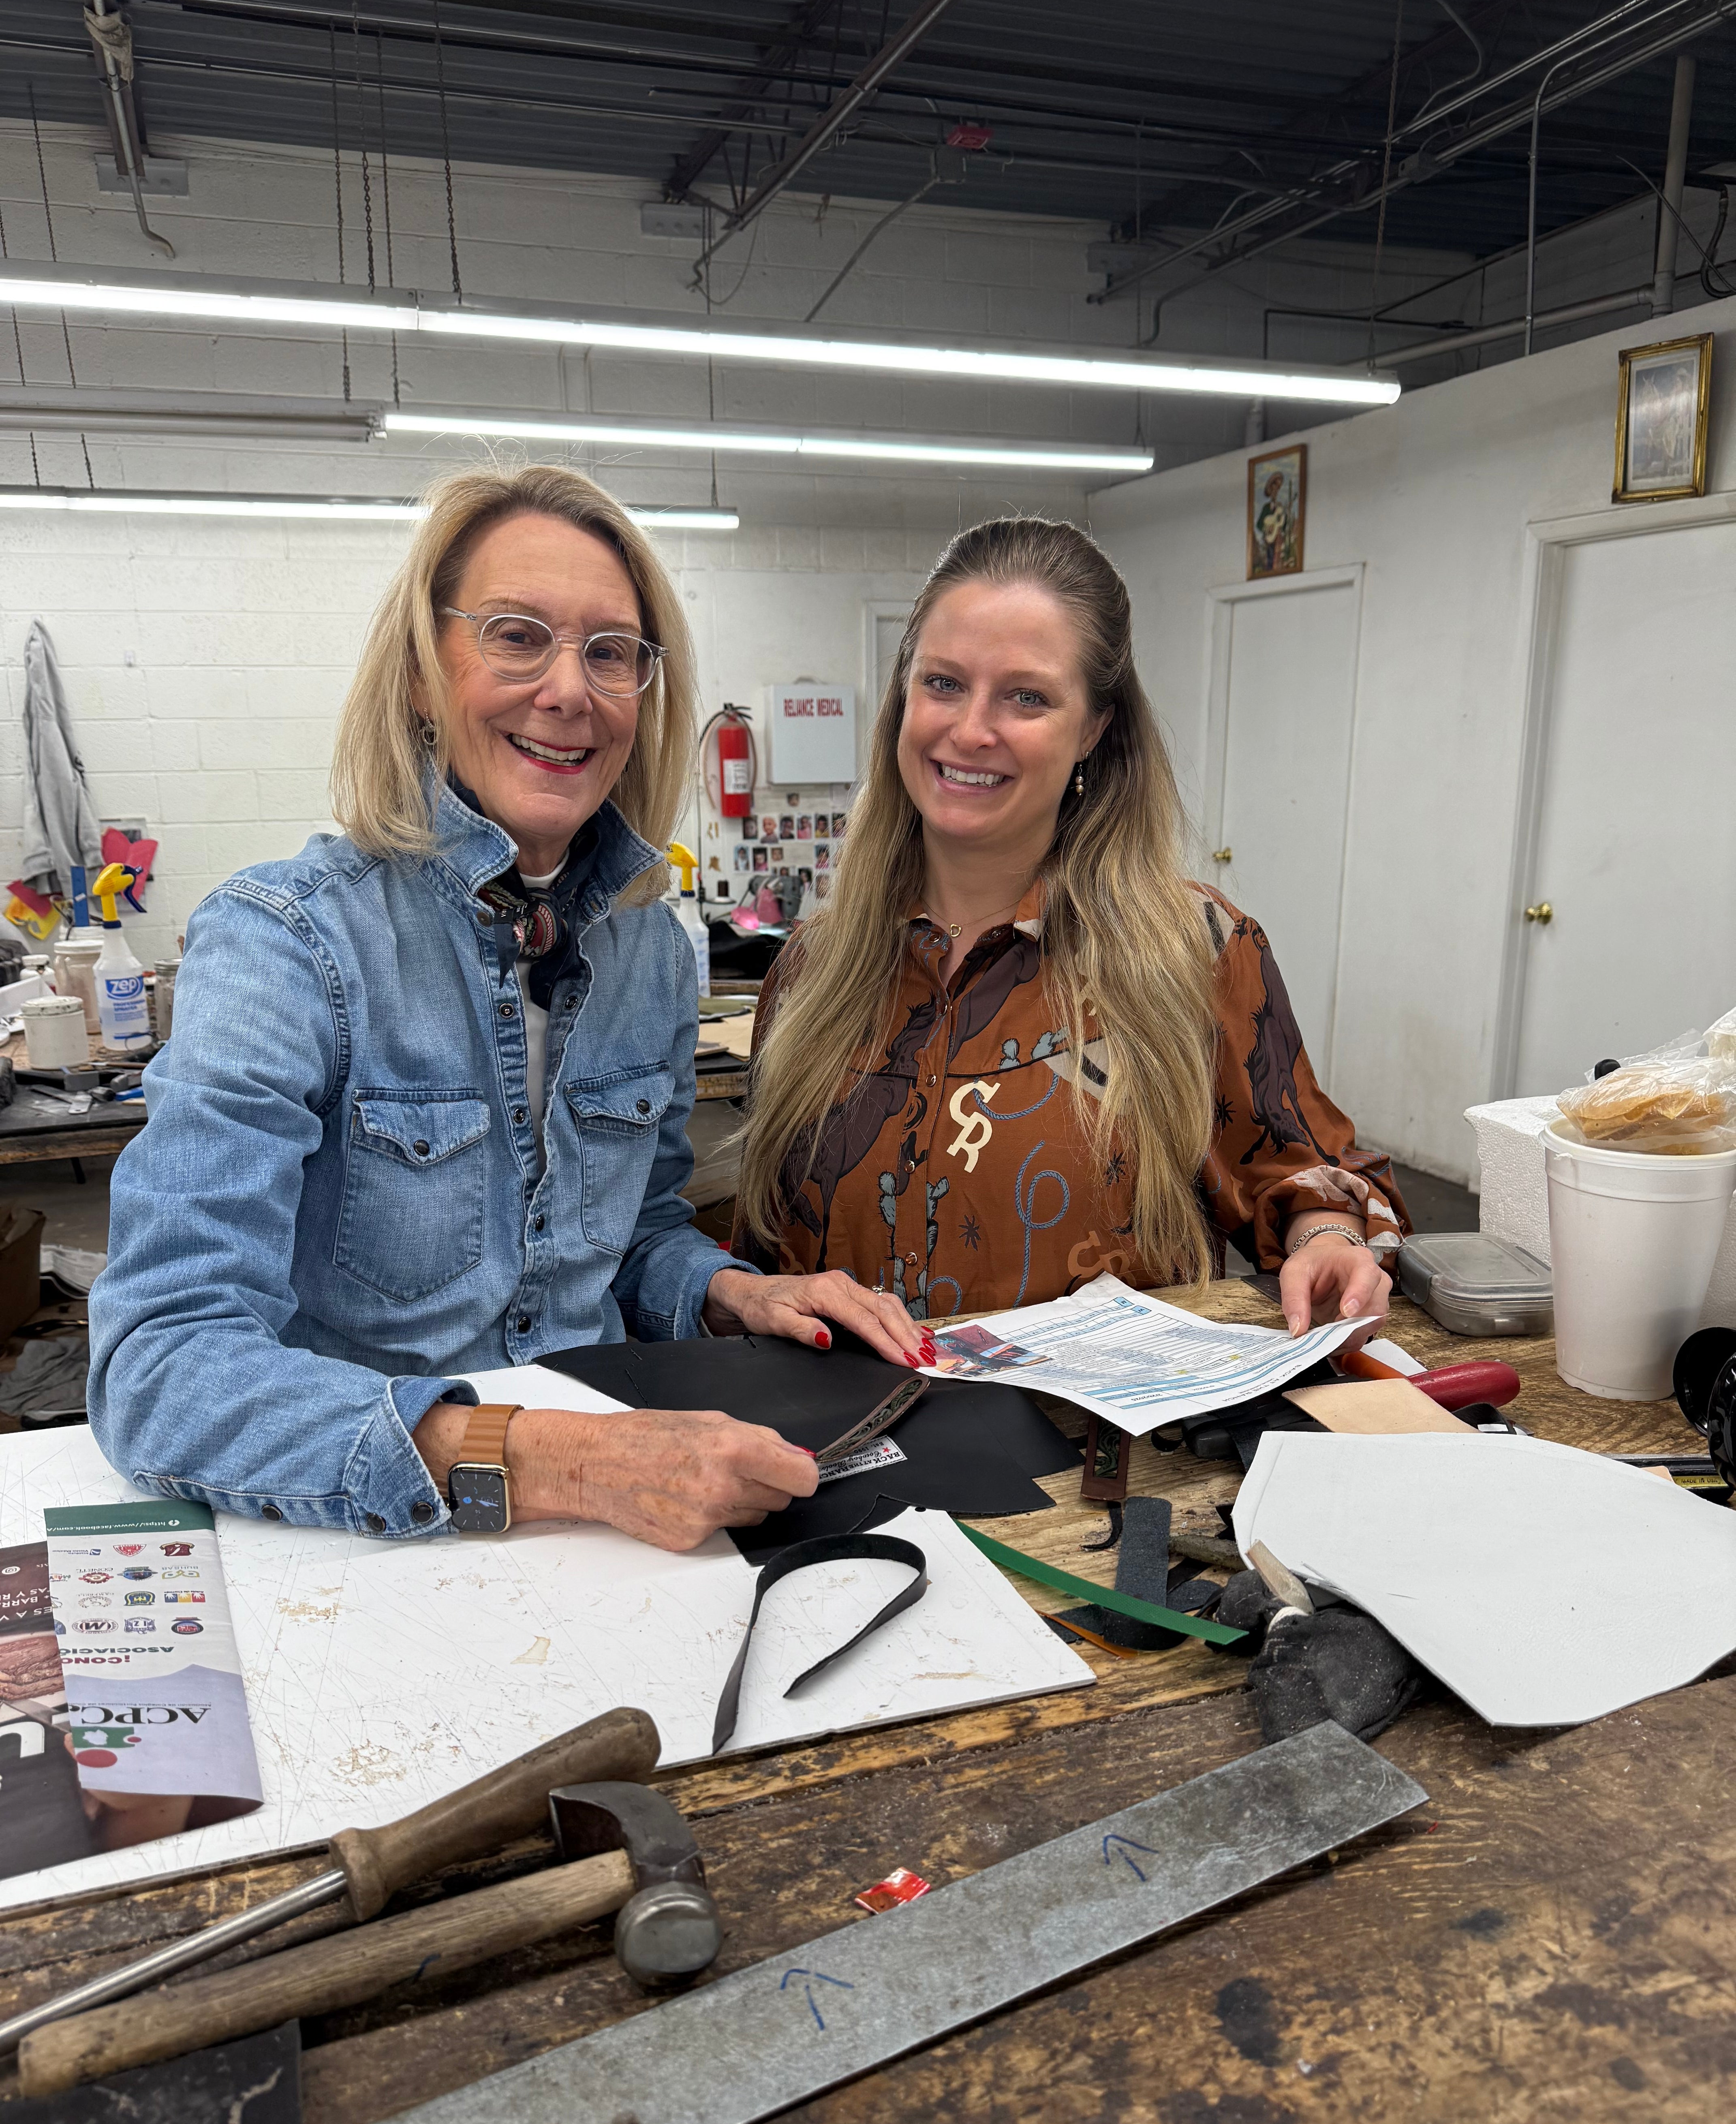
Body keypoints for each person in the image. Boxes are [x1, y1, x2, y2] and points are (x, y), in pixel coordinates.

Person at [89, 466, 927, 1553]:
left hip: (615, 1521)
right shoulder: (286, 945)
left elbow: (628, 1236)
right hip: (367, 1537)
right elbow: (161, 1365)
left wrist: (728, 1293)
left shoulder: (650, 949)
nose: (570, 690)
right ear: (421, 677)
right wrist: (557, 1460)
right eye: (518, 637)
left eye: (611, 652)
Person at [734, 517, 1408, 1328]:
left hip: (1103, 1417)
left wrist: (1331, 1239)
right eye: (943, 683)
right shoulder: (813, 970)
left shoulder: (1192, 952)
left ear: (1094, 728)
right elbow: (763, 1265)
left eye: (1027, 696)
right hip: (843, 1414)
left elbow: (1305, 1172)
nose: (971, 730)